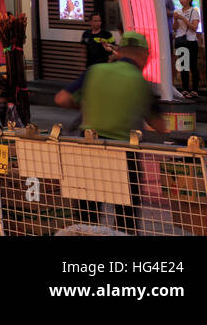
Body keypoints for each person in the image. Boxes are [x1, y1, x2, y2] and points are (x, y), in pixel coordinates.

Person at [55, 31, 165, 233]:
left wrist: (83, 104)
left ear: (120, 52)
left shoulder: (94, 71)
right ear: (143, 56)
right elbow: (160, 126)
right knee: (126, 217)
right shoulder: (141, 83)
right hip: (123, 155)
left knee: (87, 217)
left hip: (88, 150)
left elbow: (61, 98)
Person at [173, 0, 201, 98]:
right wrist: (176, 19)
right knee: (183, 66)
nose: (181, 1)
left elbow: (194, 28)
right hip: (180, 40)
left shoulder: (194, 11)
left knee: (193, 65)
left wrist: (183, 18)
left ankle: (194, 90)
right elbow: (174, 28)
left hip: (191, 40)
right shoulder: (177, 11)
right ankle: (185, 89)